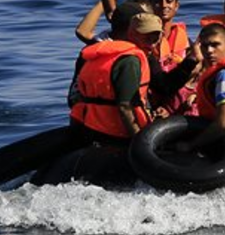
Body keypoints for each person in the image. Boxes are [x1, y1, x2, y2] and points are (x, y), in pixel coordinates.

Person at [68, 12, 163, 143]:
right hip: (113, 133)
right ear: (132, 34)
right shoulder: (130, 61)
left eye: (155, 38)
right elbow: (125, 107)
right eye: (147, 38)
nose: (152, 44)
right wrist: (139, 141)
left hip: (88, 125)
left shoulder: (106, 54)